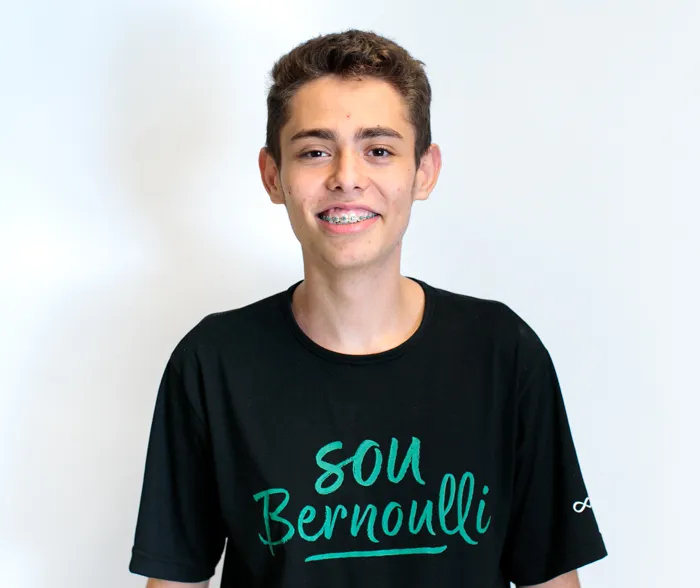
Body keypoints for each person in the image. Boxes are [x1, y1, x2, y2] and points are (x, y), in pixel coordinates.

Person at [128, 29, 607, 588]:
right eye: (315, 152)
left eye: (379, 150)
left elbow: (552, 578)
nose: (347, 178)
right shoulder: (213, 364)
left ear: (423, 171)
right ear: (272, 175)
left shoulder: (502, 352)